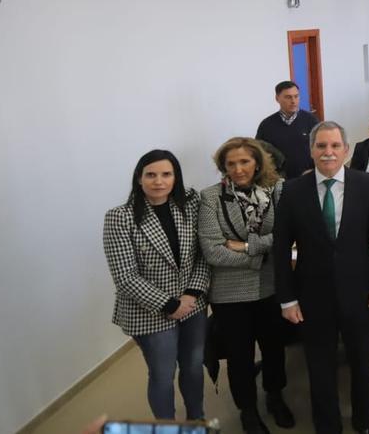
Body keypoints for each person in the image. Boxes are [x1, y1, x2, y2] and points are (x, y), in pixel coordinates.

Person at [273, 122, 369, 434]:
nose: (328, 152)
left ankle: (364, 421)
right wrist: (287, 298)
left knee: (361, 362)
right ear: (311, 150)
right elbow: (281, 248)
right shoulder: (292, 191)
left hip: (360, 291)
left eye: (335, 146)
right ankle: (327, 425)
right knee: (319, 365)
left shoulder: (367, 185)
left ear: (346, 150)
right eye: (321, 146)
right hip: (312, 295)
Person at [103, 150, 209, 421]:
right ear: (139, 179)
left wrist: (191, 294)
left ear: (176, 177)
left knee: (194, 367)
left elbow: (203, 254)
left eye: (166, 174)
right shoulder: (119, 217)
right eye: (151, 175)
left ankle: (196, 421)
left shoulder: (191, 204)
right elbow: (125, 276)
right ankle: (167, 427)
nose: (158, 181)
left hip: (192, 304)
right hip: (149, 311)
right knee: (162, 375)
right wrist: (170, 304)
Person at [198, 138, 293, 434]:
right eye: (231, 164)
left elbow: (286, 238)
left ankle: (275, 397)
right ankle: (248, 411)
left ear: (257, 162)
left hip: (271, 287)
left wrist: (243, 245)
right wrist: (258, 257)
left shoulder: (277, 191)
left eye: (245, 162)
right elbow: (213, 250)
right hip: (229, 293)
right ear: (223, 167)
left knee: (274, 348)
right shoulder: (210, 197)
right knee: (239, 356)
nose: (238, 169)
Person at [256, 80, 319, 179]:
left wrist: (316, 170)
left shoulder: (311, 120)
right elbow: (259, 153)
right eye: (288, 97)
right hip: (279, 181)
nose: (293, 101)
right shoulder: (266, 125)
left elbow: (321, 148)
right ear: (277, 98)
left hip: (308, 177)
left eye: (296, 96)